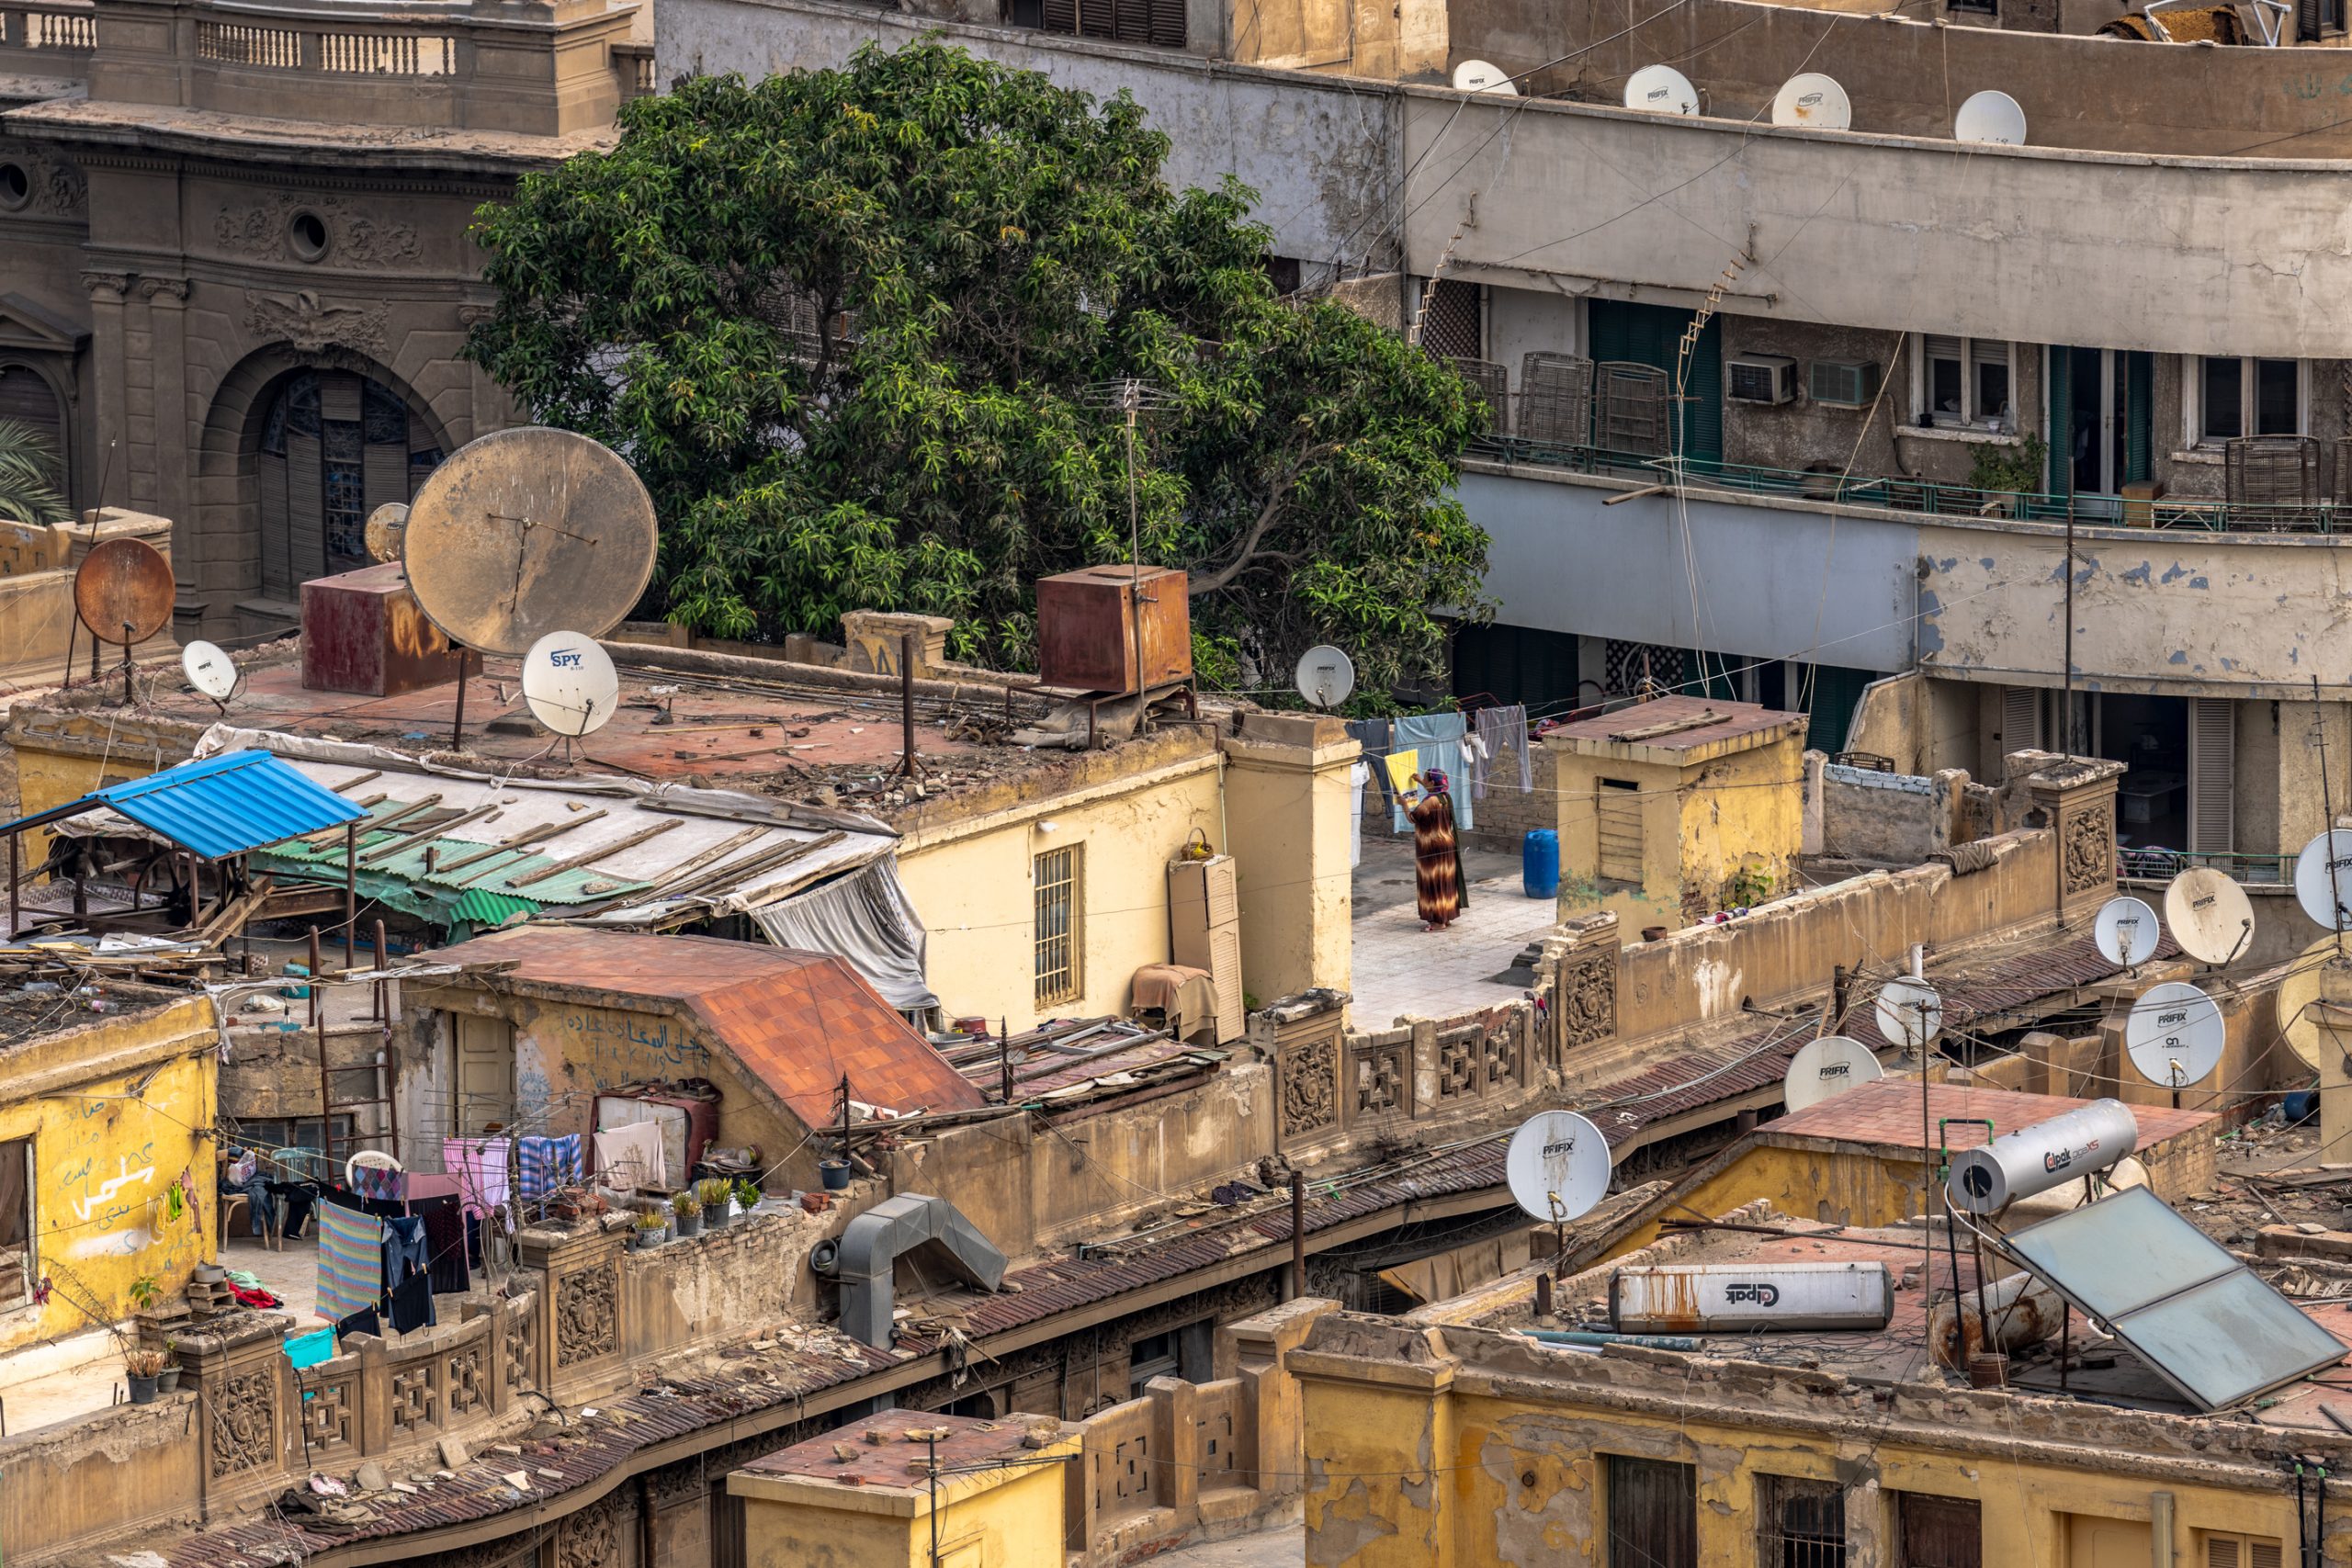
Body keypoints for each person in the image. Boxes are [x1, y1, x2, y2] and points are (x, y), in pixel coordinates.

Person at [1406, 768, 1467, 931]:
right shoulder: (1445, 797)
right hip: (1447, 845)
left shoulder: (1430, 802)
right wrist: (1419, 781)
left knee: (1434, 882)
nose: (1424, 781)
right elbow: (1433, 792)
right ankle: (1445, 917)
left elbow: (1414, 817)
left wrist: (1403, 803)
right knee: (1445, 882)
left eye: (1426, 779)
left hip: (1433, 848)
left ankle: (1438, 922)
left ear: (1432, 783)